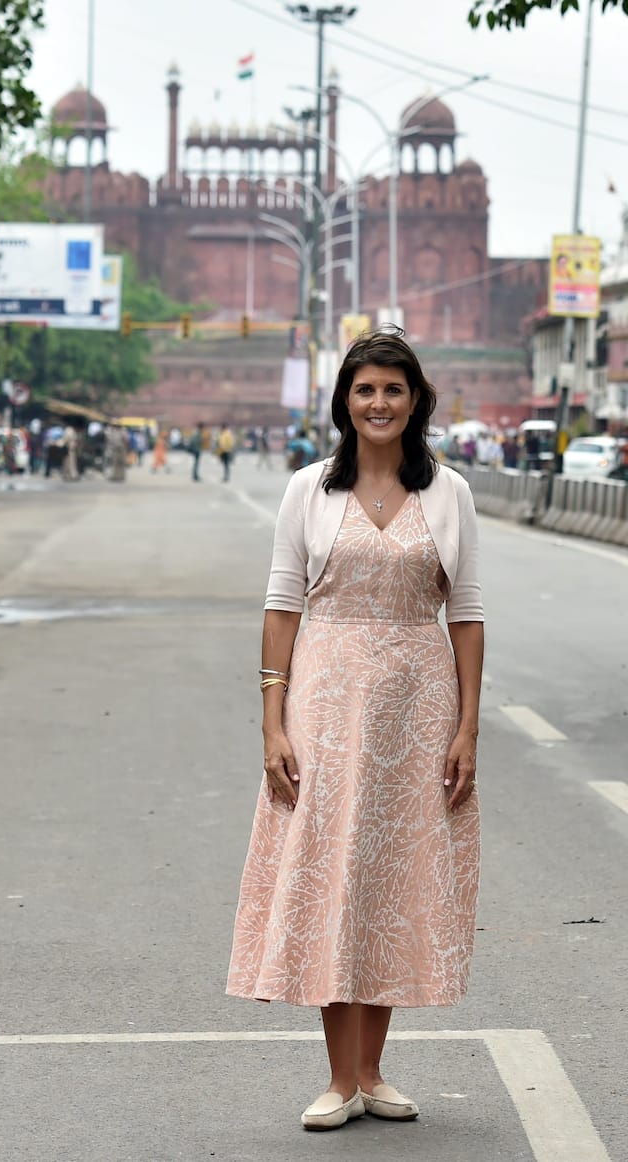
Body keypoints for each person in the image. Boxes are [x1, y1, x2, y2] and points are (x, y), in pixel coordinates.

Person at [226, 329, 484, 1132]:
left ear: (416, 403)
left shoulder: (450, 492)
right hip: (326, 704)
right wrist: (273, 722)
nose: (379, 404)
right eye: (365, 389)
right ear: (345, 400)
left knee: (394, 878)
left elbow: (467, 615)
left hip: (418, 706)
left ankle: (374, 1070)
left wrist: (468, 727)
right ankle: (338, 1079)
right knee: (332, 870)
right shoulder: (309, 490)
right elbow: (281, 607)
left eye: (394, 391)